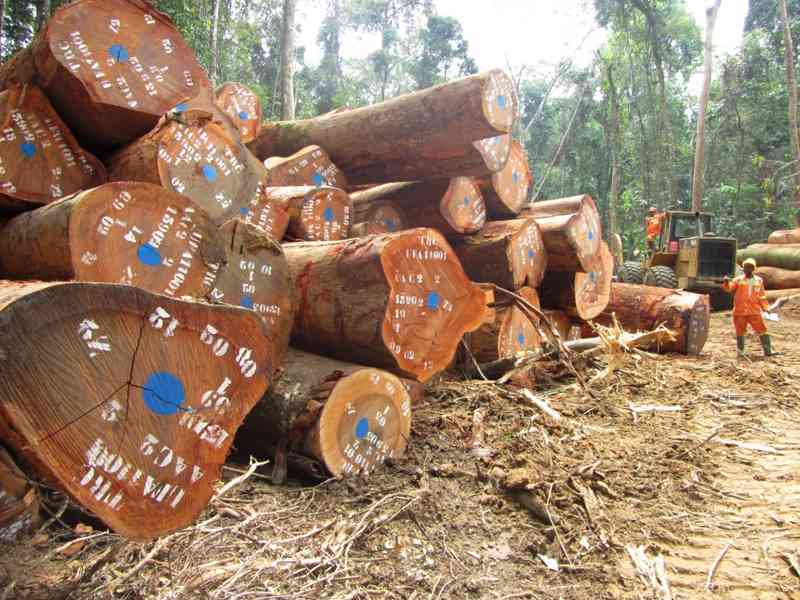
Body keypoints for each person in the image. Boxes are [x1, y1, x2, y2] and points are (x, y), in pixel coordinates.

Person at [723, 258, 780, 357]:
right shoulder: (738, 280)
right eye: (745, 267)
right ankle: (741, 353)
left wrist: (766, 308)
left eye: (749, 267)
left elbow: (761, 296)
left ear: (753, 268)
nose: (747, 269)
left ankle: (768, 351)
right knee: (740, 331)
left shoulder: (758, 281)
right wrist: (726, 282)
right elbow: (729, 289)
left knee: (762, 330)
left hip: (754, 311)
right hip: (740, 311)